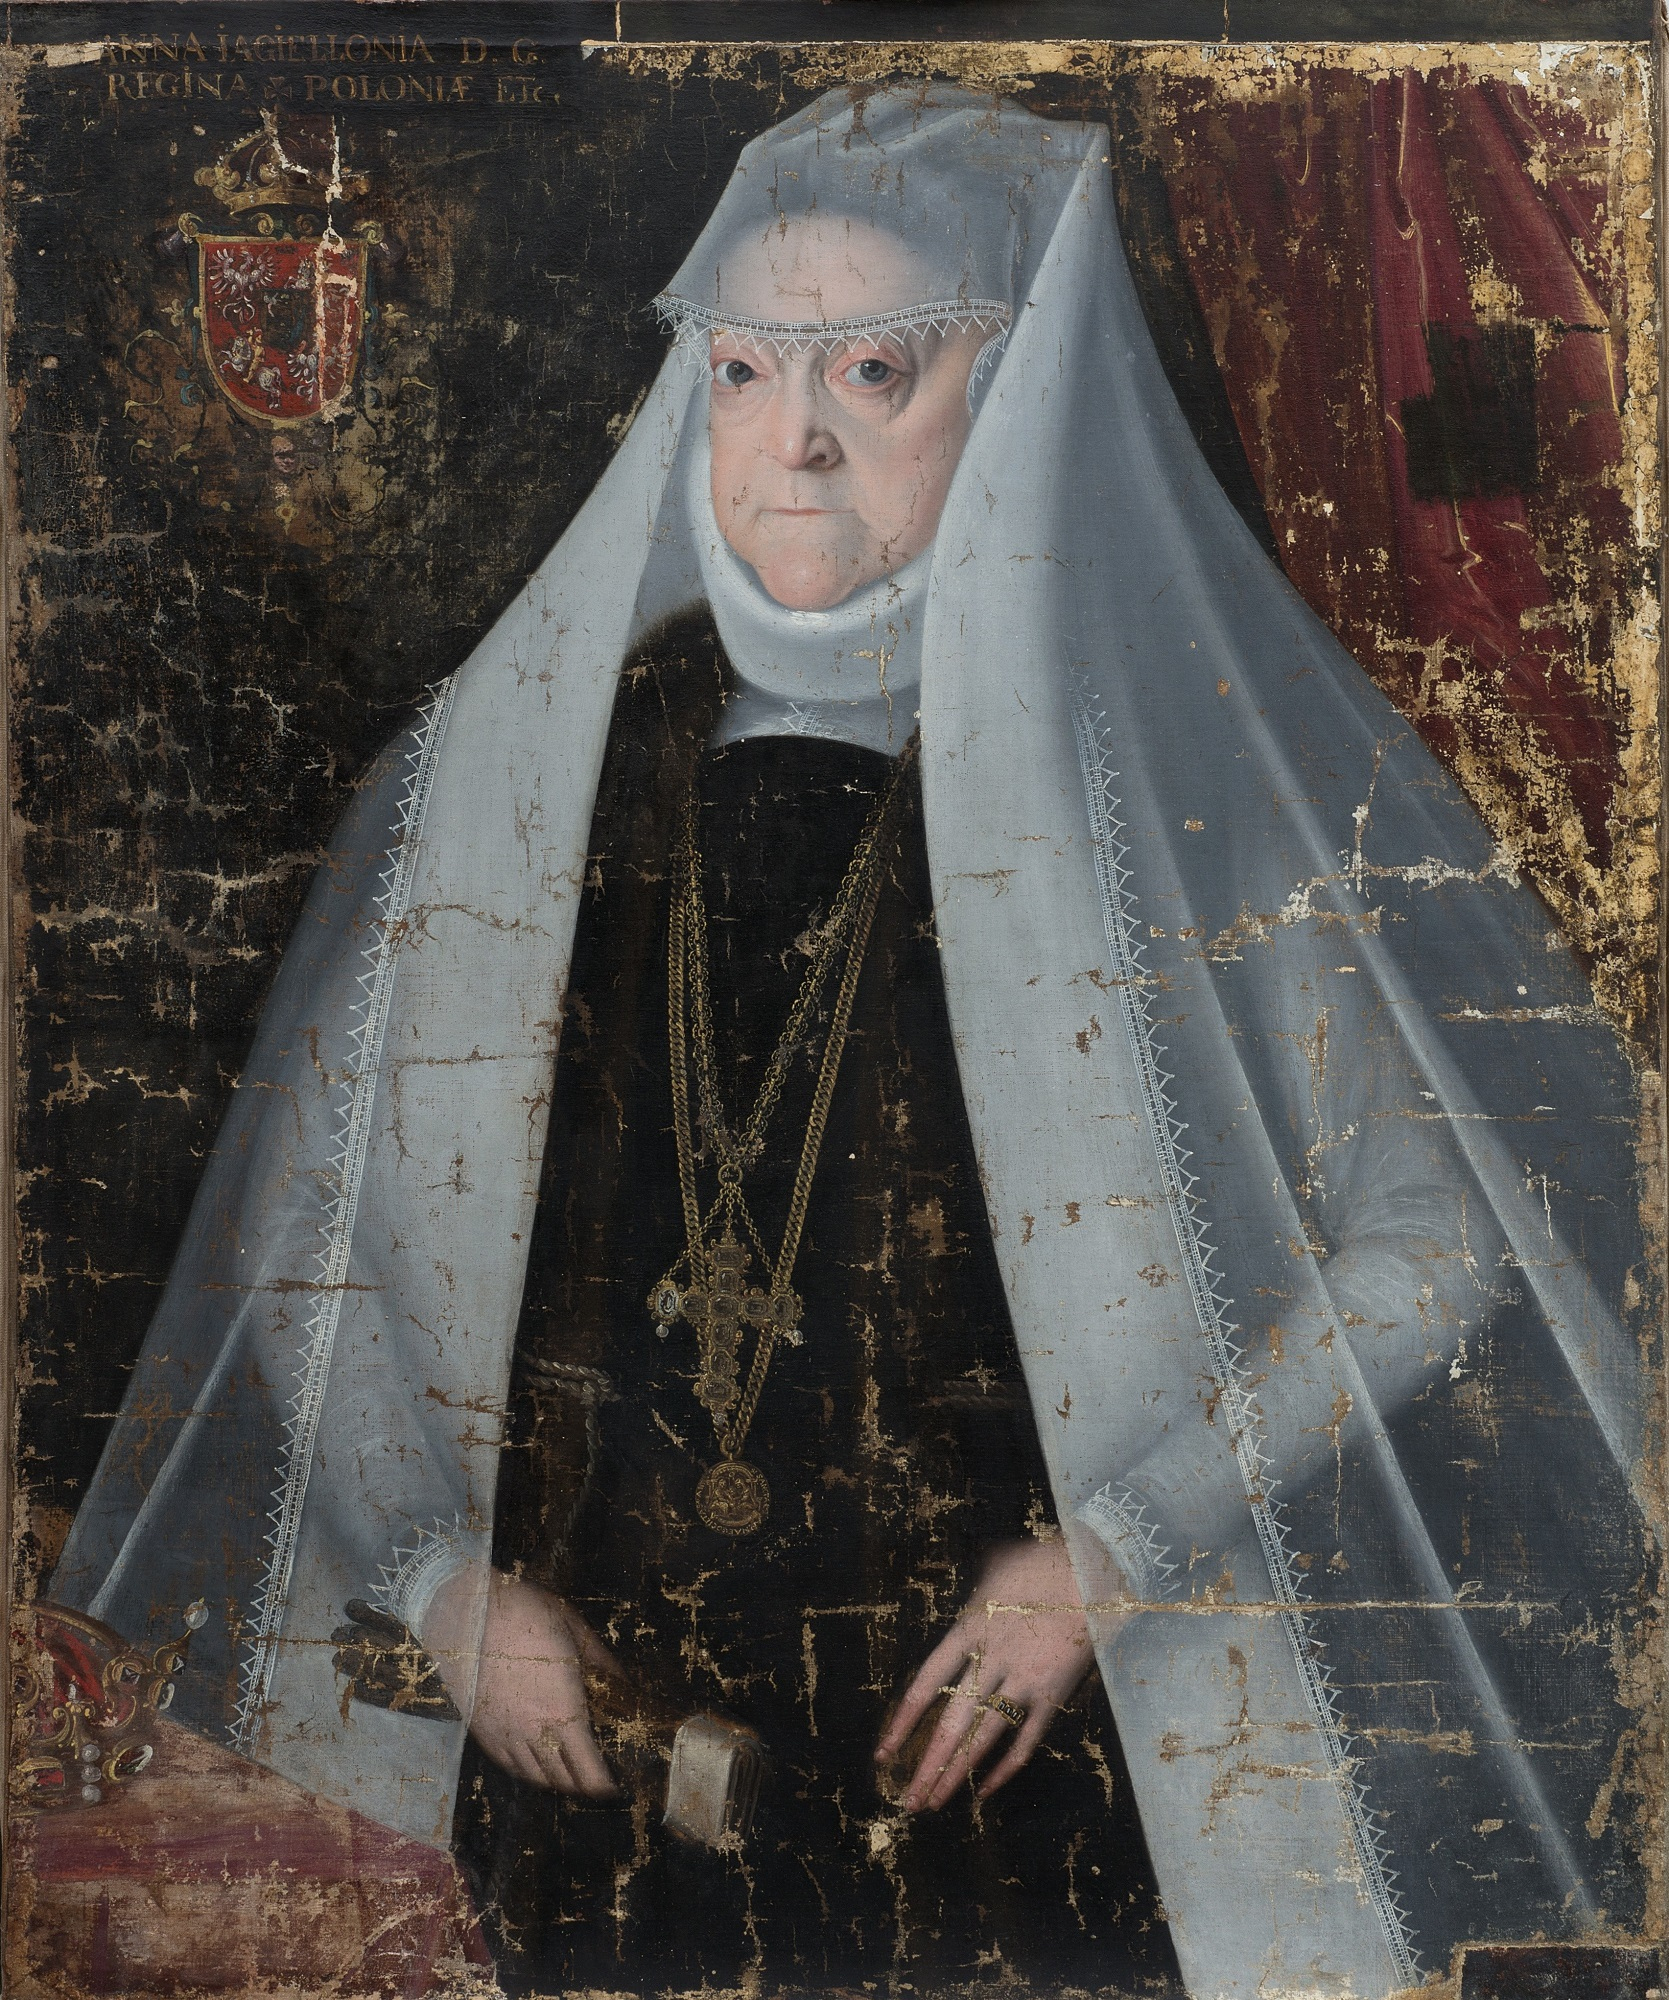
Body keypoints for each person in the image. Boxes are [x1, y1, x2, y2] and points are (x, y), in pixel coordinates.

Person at [51, 85, 1656, 1999]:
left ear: (1016, 390)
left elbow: (1433, 1241)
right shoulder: (522, 774)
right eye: (742, 371)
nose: (793, 439)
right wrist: (438, 1585)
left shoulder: (1173, 798)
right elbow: (303, 1232)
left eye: (874, 370)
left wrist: (1114, 1554)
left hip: (1027, 1756)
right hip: (590, 1742)